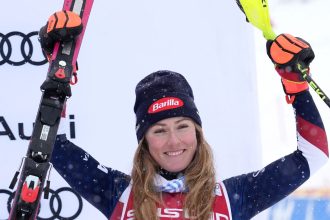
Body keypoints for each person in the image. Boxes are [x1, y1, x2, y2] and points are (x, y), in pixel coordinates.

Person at [39, 11, 329, 220]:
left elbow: (313, 156)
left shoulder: (234, 197)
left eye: (182, 126)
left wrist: (296, 85)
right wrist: (60, 70)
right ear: (144, 141)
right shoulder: (118, 192)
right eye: (159, 130)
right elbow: (51, 142)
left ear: (198, 132)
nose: (174, 141)